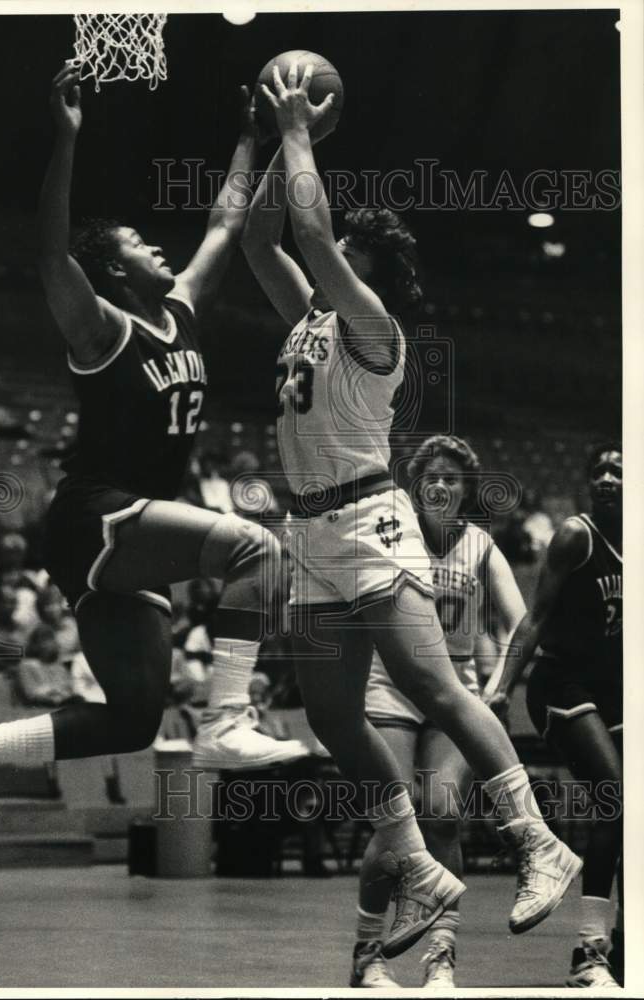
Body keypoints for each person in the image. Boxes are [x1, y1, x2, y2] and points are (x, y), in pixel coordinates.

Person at [0, 62, 307, 813]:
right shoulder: (99, 329)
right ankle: (225, 718)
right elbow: (51, 255)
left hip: (130, 533)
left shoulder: (180, 310)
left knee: (131, 718)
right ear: (114, 273)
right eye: (137, 243)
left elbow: (222, 221)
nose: (157, 248)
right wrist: (66, 139)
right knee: (256, 548)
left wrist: (249, 141)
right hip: (96, 514)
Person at [243, 60, 580, 963]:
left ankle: (537, 841)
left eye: (350, 253)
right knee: (330, 715)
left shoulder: (373, 328)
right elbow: (258, 240)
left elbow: (310, 234)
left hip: (368, 519)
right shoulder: (309, 315)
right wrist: (265, 135)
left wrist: (300, 128)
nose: (334, 254)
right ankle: (413, 859)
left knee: (435, 686)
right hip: (311, 530)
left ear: (371, 273)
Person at [355, 435, 526, 987]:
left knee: (444, 811)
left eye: (453, 478)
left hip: (453, 690)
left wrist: (499, 685)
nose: (440, 484)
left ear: (466, 490)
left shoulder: (480, 547)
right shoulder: (393, 537)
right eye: (432, 475)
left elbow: (520, 624)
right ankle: (366, 955)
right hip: (392, 687)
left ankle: (441, 957)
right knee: (395, 817)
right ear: (416, 484)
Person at [485, 442, 623, 987]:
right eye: (600, 471)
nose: (608, 478)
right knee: (615, 796)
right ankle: (589, 954)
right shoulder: (576, 537)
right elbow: (536, 619)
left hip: (613, 691)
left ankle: (620, 952)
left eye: (620, 470)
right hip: (560, 685)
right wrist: (501, 689)